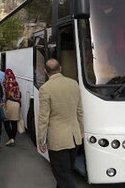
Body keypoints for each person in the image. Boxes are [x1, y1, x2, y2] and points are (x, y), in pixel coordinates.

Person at [37, 59, 83, 188]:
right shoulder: (74, 84)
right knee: (66, 172)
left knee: (63, 175)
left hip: (58, 141)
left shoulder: (45, 89)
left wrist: (41, 140)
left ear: (45, 72)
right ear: (61, 69)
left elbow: (43, 118)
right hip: (75, 138)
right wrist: (81, 131)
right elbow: (80, 111)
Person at [3, 68, 22, 146]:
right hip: (17, 104)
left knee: (6, 121)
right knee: (14, 122)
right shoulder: (16, 83)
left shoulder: (6, 83)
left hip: (9, 103)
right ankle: (13, 138)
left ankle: (10, 138)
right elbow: (19, 94)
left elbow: (5, 95)